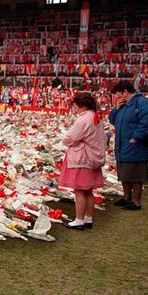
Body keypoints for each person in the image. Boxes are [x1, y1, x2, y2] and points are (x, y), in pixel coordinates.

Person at [59, 93, 107, 230]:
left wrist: (65, 141)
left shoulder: (84, 119)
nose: (75, 109)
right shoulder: (96, 117)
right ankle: (88, 219)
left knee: (79, 190)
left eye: (75, 106)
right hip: (93, 157)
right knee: (88, 191)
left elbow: (72, 137)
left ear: (82, 105)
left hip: (82, 158)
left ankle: (79, 220)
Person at [109, 80, 148, 210]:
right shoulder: (123, 104)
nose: (116, 97)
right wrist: (115, 108)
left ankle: (136, 202)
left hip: (135, 145)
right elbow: (112, 120)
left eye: (118, 94)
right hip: (122, 144)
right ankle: (127, 198)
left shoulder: (141, 103)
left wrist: (135, 138)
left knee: (135, 175)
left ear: (125, 92)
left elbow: (147, 122)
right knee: (125, 173)